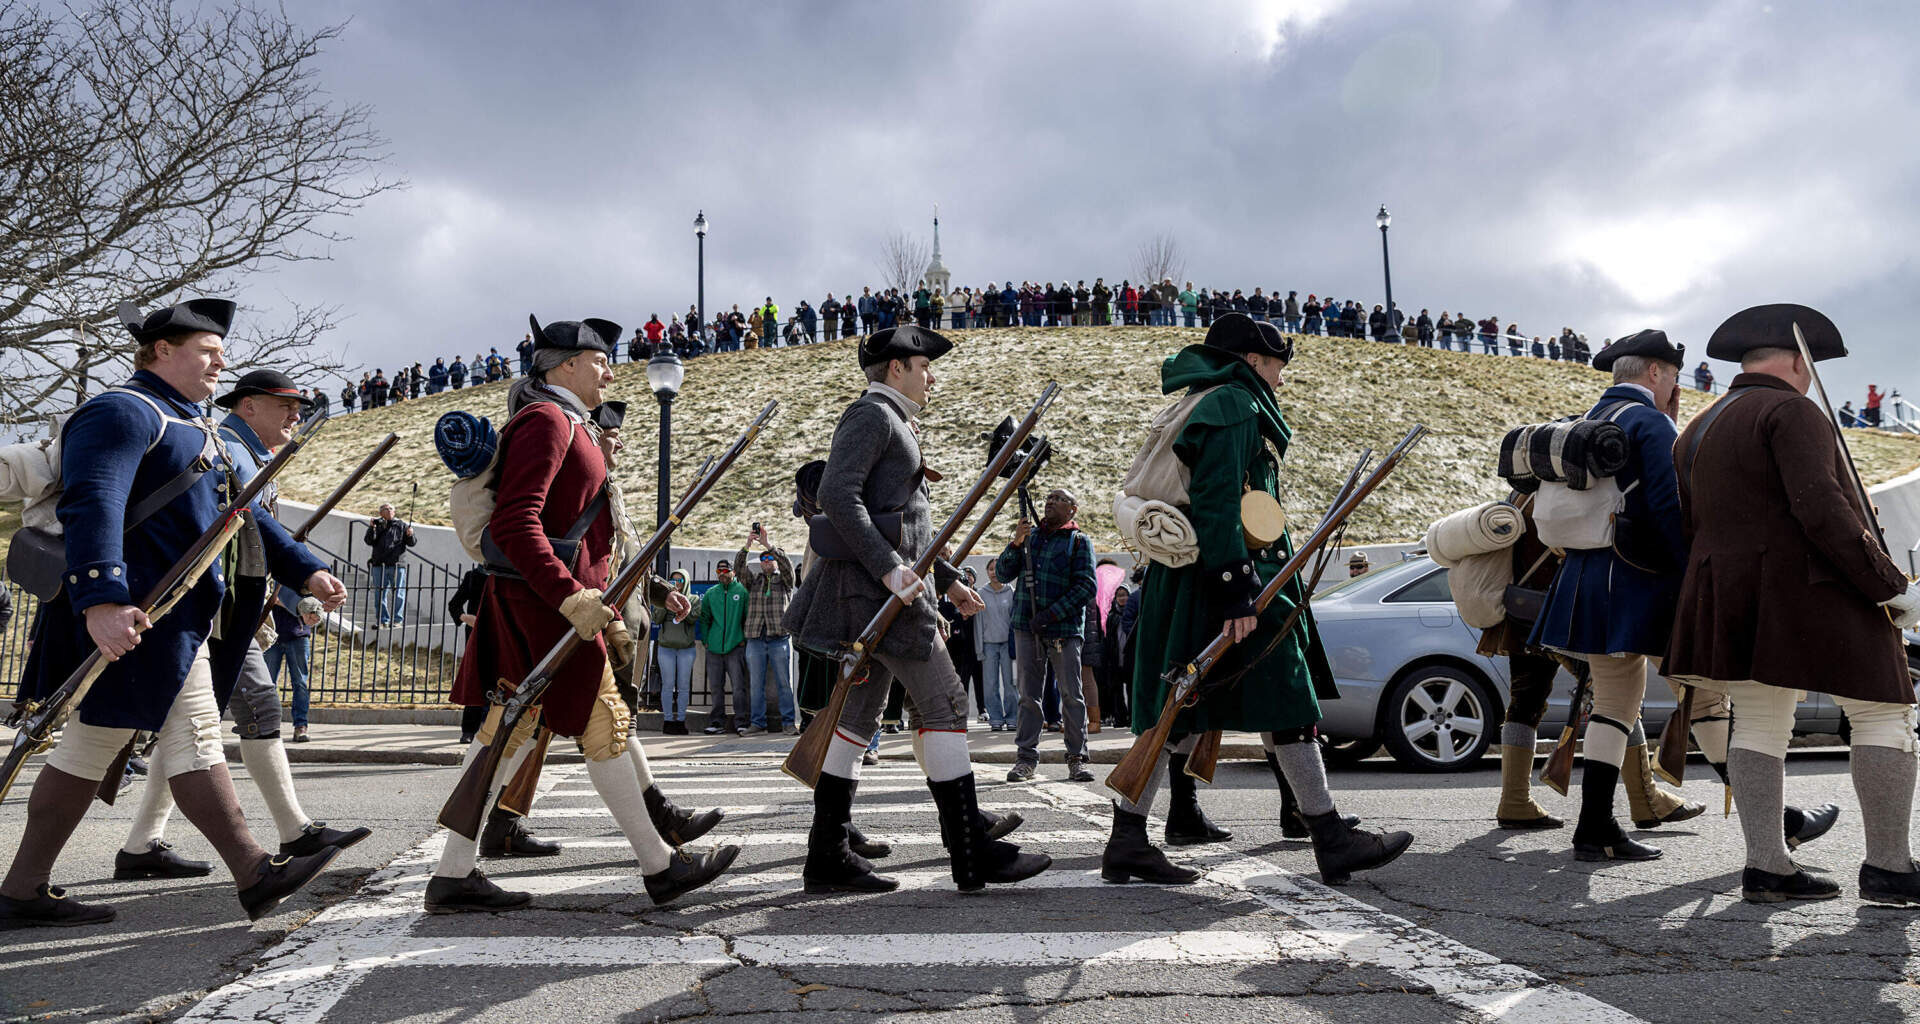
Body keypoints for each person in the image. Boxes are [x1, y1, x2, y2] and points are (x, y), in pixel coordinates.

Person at [0, 300, 349, 930]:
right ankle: (254, 873)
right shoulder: (122, 411)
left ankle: (21, 890)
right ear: (163, 351)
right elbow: (94, 503)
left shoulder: (200, 428)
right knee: (193, 738)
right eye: (207, 351)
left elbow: (246, 517)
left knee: (86, 749)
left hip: (172, 619)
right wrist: (102, 599)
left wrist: (304, 569)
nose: (221, 363)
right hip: (136, 614)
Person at [425, 314, 734, 913]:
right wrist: (569, 596)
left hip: (555, 605)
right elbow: (517, 523)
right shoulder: (547, 420)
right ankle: (661, 865)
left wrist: (607, 612)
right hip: (545, 605)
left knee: (519, 733)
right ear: (565, 364)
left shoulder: (571, 423)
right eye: (598, 360)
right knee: (592, 725)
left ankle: (455, 873)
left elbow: (589, 542)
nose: (609, 370)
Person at [1110, 314, 1410, 887]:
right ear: (1252, 362)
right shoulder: (1234, 407)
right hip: (1227, 579)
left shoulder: (1209, 400)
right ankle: (1328, 836)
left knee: (1193, 707)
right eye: (1275, 363)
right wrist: (1235, 593)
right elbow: (1219, 501)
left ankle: (1129, 839)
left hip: (1213, 576)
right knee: (1282, 700)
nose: (1280, 376)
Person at [783, 324, 1050, 894]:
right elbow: (836, 496)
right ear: (897, 367)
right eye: (923, 365)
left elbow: (908, 525)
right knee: (948, 703)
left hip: (885, 593)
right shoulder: (873, 415)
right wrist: (887, 567)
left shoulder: (895, 420)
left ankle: (827, 853)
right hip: (883, 597)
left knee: (856, 722)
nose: (931, 375)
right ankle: (970, 850)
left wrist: (946, 579)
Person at [1666, 304, 1920, 904]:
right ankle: (1889, 866)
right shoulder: (1792, 409)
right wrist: (1889, 586)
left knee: (1757, 722)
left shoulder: (1699, 426)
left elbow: (1690, 522)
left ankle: (1768, 867)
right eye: (1812, 364)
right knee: (1883, 713)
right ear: (1798, 361)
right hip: (1807, 588)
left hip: (1728, 593)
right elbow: (1823, 512)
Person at [1528, 329, 1695, 863]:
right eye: (1671, 376)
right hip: (1635, 576)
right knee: (1710, 692)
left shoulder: (1582, 422)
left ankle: (1595, 826)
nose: (1673, 386)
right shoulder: (1649, 421)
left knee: (1615, 703)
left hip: (1584, 573)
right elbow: (1668, 508)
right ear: (1654, 373)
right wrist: (1690, 568)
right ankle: (1777, 822)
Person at [999, 488, 1097, 782]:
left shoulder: (1078, 542)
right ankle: (1025, 759)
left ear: (1073, 509)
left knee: (1071, 695)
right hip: (1027, 627)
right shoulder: (1030, 538)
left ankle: (1077, 759)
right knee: (1028, 695)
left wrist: (1050, 615)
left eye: (1059, 499)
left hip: (1063, 631)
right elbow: (1003, 573)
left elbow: (1086, 586)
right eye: (1048, 499)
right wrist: (1016, 543)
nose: (1050, 502)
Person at [734, 526, 798, 734]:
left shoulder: (784, 581)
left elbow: (788, 565)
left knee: (784, 683)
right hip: (755, 638)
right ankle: (757, 723)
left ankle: (788, 723)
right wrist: (748, 545)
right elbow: (739, 568)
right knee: (756, 685)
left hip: (778, 638)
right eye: (763, 559)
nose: (767, 561)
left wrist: (768, 544)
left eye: (769, 558)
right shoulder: (754, 582)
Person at [697, 559, 748, 734]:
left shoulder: (741, 592)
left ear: (733, 572)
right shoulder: (712, 593)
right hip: (714, 648)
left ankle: (741, 722)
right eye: (719, 572)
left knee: (739, 687)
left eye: (726, 571)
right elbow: (704, 618)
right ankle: (717, 722)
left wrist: (743, 639)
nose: (723, 575)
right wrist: (706, 640)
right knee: (716, 687)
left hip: (736, 647)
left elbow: (747, 618)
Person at [651, 571, 698, 734]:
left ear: (686, 581)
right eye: (673, 580)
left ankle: (681, 720)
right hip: (666, 648)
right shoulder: (662, 600)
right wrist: (666, 602)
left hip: (686, 649)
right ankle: (668, 720)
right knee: (667, 685)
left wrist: (682, 605)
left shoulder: (694, 599)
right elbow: (656, 619)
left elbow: (692, 619)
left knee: (683, 686)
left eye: (680, 580)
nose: (677, 582)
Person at [975, 566, 1017, 730]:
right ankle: (996, 719)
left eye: (997, 568)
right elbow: (978, 623)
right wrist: (979, 648)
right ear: (986, 572)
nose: (994, 572)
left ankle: (1013, 717)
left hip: (1009, 646)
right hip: (988, 645)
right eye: (990, 569)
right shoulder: (981, 593)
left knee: (1011, 684)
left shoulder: (1011, 592)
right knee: (990, 685)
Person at [941, 567, 984, 726]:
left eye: (969, 576)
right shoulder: (946, 597)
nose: (967, 578)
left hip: (973, 646)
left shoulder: (978, 595)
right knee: (958, 680)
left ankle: (980, 710)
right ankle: (957, 713)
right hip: (953, 645)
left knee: (977, 679)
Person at [363, 503, 415, 628]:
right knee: (379, 593)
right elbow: (369, 541)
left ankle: (397, 620)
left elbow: (412, 543)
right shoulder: (377, 525)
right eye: (385, 509)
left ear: (394, 512)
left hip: (396, 564)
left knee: (399, 593)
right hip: (378, 564)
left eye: (391, 508)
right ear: (380, 513)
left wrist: (410, 534)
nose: (388, 510)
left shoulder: (402, 525)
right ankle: (382, 620)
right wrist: (372, 528)